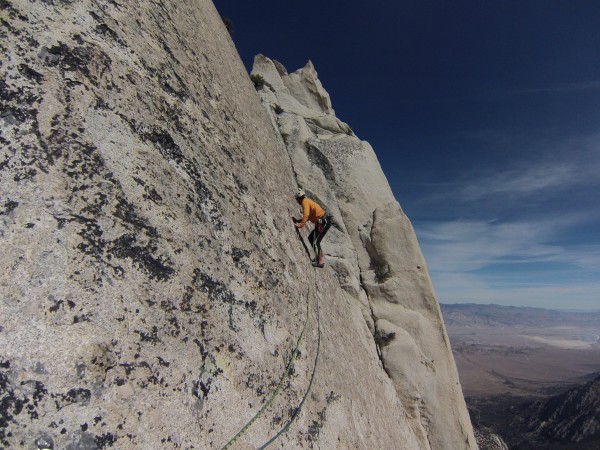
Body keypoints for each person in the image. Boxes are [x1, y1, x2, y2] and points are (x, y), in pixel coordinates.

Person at [293, 190, 332, 268]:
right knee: (311, 238)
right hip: (323, 221)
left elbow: (306, 214)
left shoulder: (304, 202)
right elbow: (308, 216)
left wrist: (301, 225)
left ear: (299, 198)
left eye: (297, 200)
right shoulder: (307, 201)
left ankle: (320, 261)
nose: (297, 202)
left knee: (315, 241)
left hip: (323, 221)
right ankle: (320, 257)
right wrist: (299, 221)